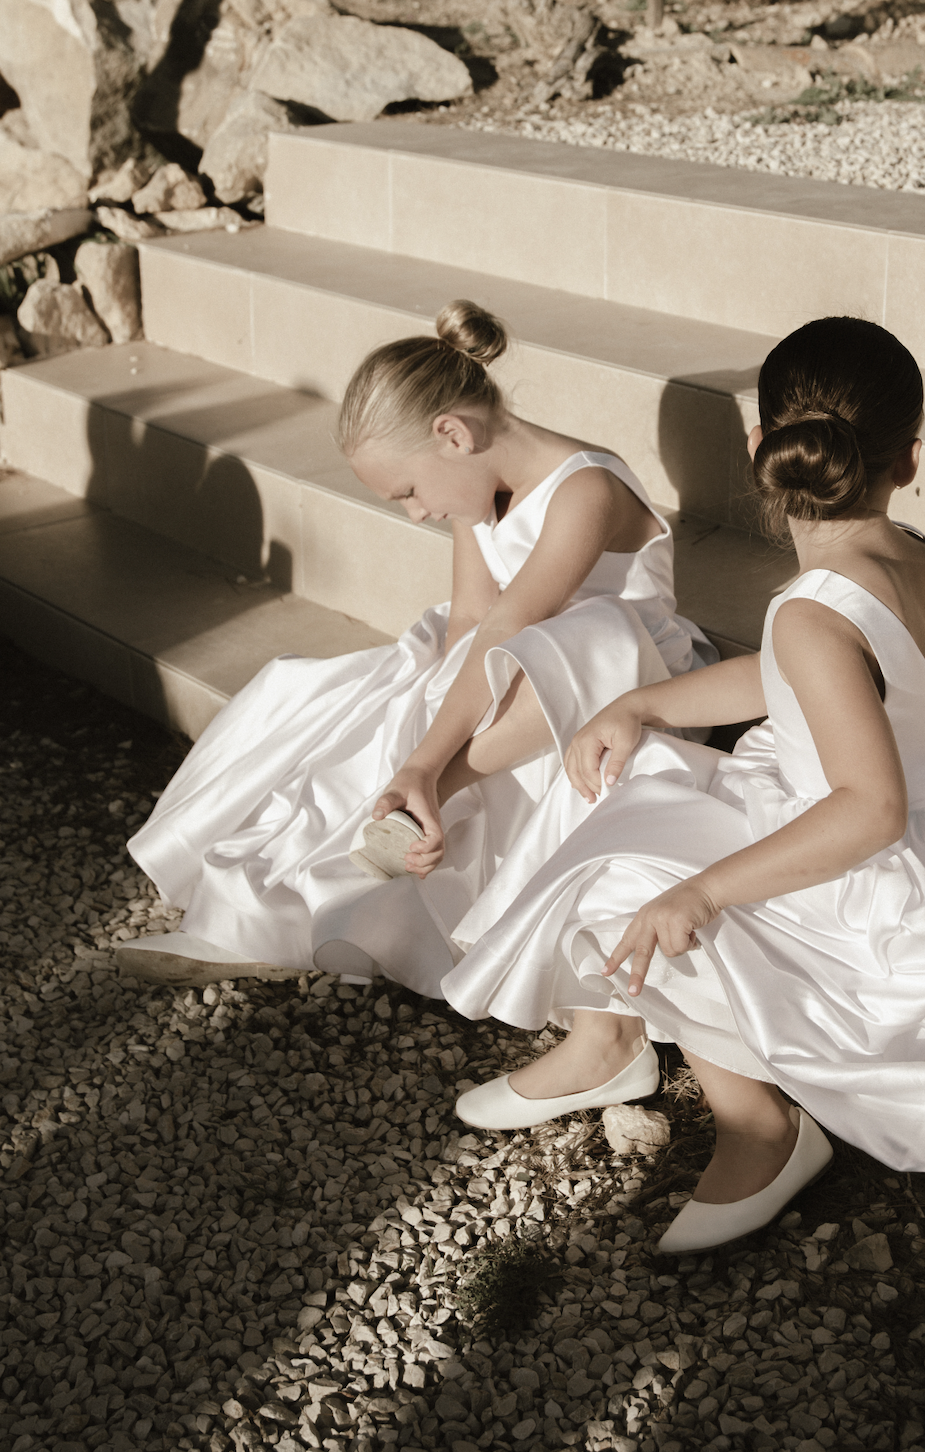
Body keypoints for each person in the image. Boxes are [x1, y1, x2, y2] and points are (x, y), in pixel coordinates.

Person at [443, 317, 925, 1254]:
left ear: (760, 445)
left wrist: (702, 892)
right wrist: (644, 702)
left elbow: (869, 807)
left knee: (627, 874)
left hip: (886, 889)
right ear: (910, 458)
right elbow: (793, 677)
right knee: (649, 787)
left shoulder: (812, 615)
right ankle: (606, 1048)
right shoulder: (918, 555)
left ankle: (759, 1130)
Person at [119, 300, 713, 996]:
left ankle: (417, 810)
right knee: (358, 689)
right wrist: (427, 712)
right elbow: (472, 618)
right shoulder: (477, 493)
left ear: (452, 434)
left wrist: (429, 761)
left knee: (576, 640)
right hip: (522, 665)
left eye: (408, 491)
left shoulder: (586, 489)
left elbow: (510, 625)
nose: (417, 512)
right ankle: (292, 893)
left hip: (620, 680)